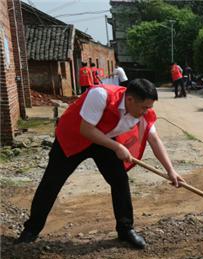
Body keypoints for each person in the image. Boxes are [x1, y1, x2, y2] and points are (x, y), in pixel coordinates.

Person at [16, 79, 184, 249]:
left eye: (149, 108)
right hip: (73, 137)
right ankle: (31, 229)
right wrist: (117, 146)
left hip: (103, 140)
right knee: (51, 183)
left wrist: (170, 170)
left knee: (119, 180)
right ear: (130, 99)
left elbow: (154, 139)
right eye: (144, 107)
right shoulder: (101, 95)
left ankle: (125, 230)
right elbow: (86, 130)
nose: (146, 112)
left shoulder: (142, 113)